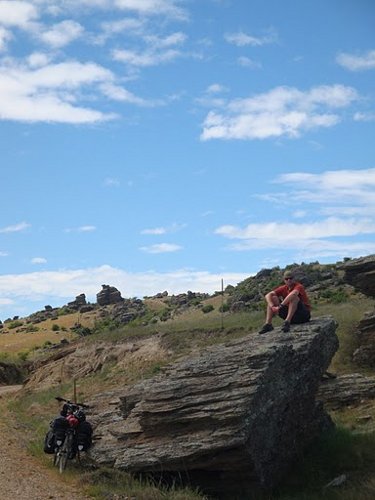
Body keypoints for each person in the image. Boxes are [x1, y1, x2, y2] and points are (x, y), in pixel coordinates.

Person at [258, 270, 311, 334]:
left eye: (291, 278)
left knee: (294, 298)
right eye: (286, 279)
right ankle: (268, 324)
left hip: (303, 315)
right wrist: (272, 306)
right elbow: (267, 295)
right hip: (292, 316)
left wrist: (281, 305)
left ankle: (287, 322)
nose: (289, 280)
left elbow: (294, 294)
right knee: (272, 298)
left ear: (294, 279)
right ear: (284, 280)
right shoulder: (283, 288)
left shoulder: (298, 286)